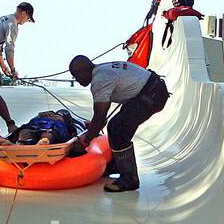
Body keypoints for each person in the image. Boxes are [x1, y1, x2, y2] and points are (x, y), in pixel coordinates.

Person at [68, 56, 169, 193]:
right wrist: (95, 126)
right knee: (120, 124)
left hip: (151, 94)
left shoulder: (100, 79)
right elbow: (101, 116)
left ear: (82, 71)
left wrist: (86, 140)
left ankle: (129, 179)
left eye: (76, 75)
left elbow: (100, 116)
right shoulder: (102, 70)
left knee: (117, 128)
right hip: (153, 90)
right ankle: (116, 165)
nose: (76, 80)